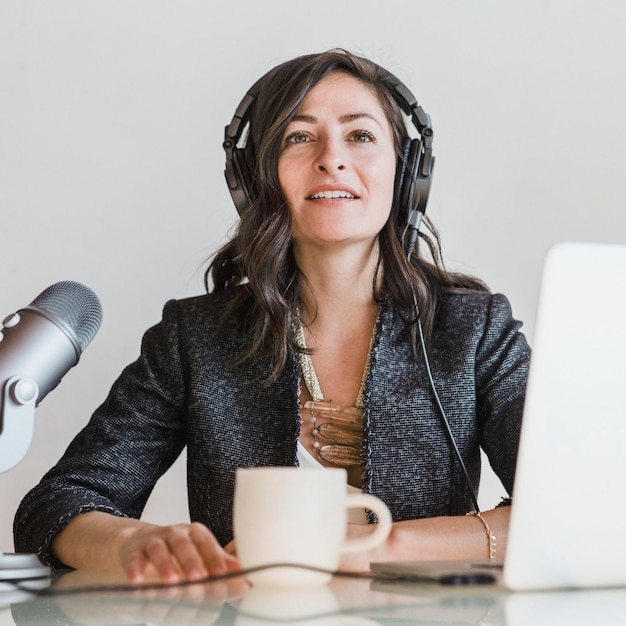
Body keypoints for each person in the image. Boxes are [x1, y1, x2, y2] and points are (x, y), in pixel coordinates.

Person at [14, 49, 530, 585]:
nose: (332, 157)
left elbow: (576, 505)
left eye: (360, 135)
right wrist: (138, 543)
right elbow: (55, 505)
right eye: (298, 137)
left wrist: (382, 545)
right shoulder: (194, 338)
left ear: (407, 173)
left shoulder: (476, 330)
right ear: (256, 178)